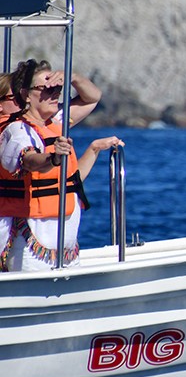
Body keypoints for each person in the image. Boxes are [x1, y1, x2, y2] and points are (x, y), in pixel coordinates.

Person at [0, 59, 122, 271]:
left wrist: (71, 77)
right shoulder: (16, 131)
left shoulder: (56, 121)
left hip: (66, 247)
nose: (54, 93)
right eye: (46, 88)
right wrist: (53, 158)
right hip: (33, 248)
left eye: (58, 87)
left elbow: (92, 97)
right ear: (26, 95)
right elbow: (28, 159)